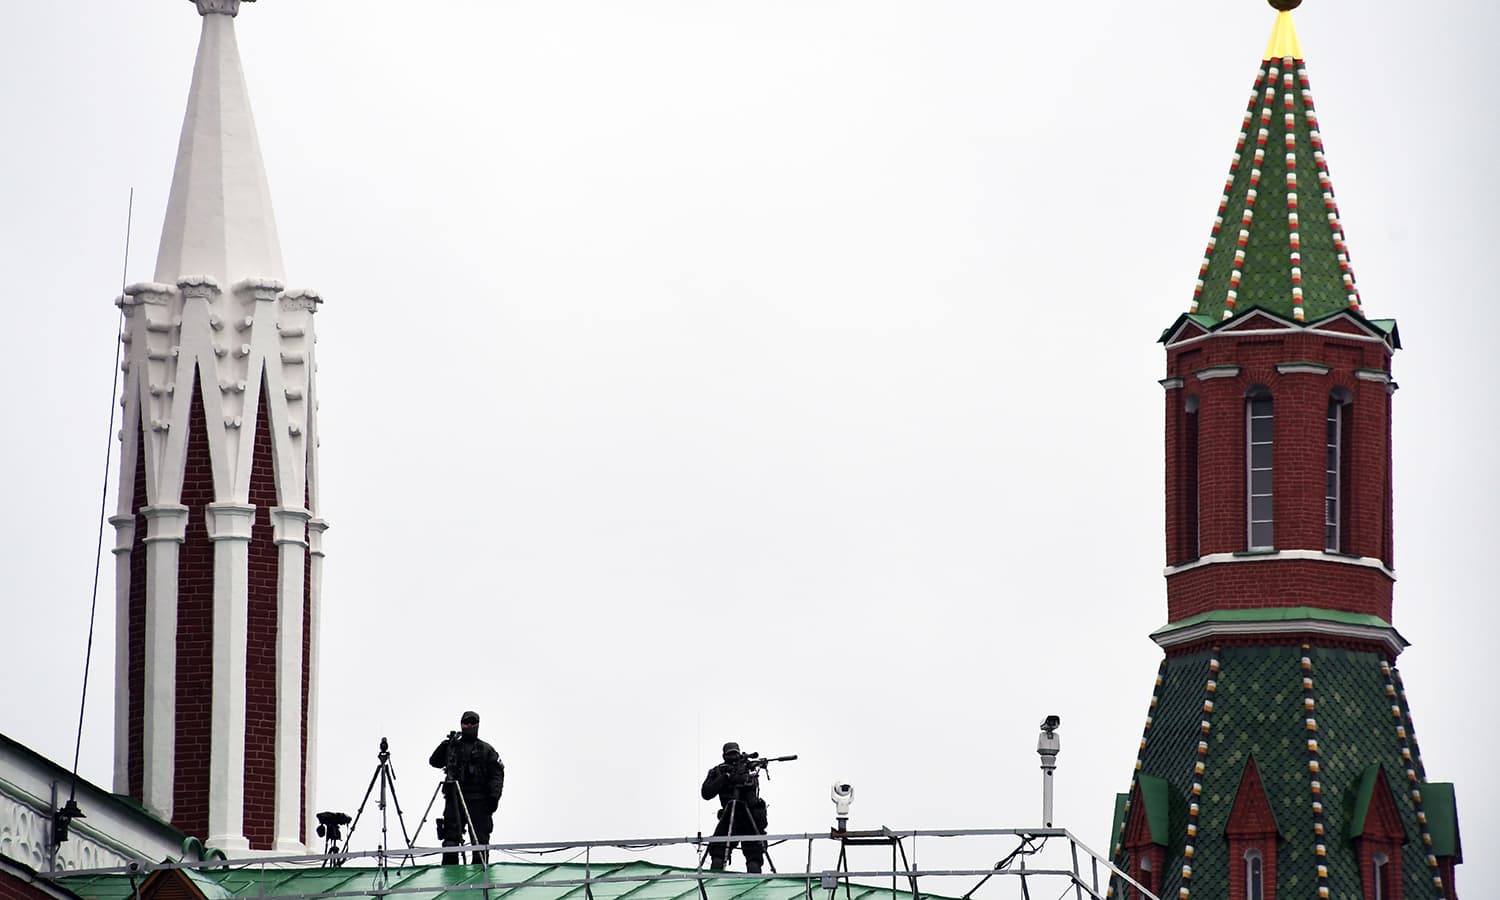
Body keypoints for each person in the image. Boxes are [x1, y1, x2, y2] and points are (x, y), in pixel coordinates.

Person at [429, 710, 505, 865]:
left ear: (477, 725)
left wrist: (493, 798)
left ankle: (479, 880)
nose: (469, 725)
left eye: (472, 722)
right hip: (454, 799)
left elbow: (497, 775)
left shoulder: (486, 749)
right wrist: (446, 745)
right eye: (466, 722)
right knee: (450, 841)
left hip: (479, 802)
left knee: (480, 843)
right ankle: (451, 880)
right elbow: (434, 761)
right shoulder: (452, 746)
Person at [700, 741, 767, 873]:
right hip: (730, 815)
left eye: (735, 755)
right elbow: (706, 793)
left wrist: (748, 771)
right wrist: (725, 777)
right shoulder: (718, 771)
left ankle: (754, 883)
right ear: (724, 756)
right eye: (730, 755)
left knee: (754, 853)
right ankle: (714, 879)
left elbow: (751, 784)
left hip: (750, 816)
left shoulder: (748, 768)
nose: (733, 758)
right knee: (719, 850)